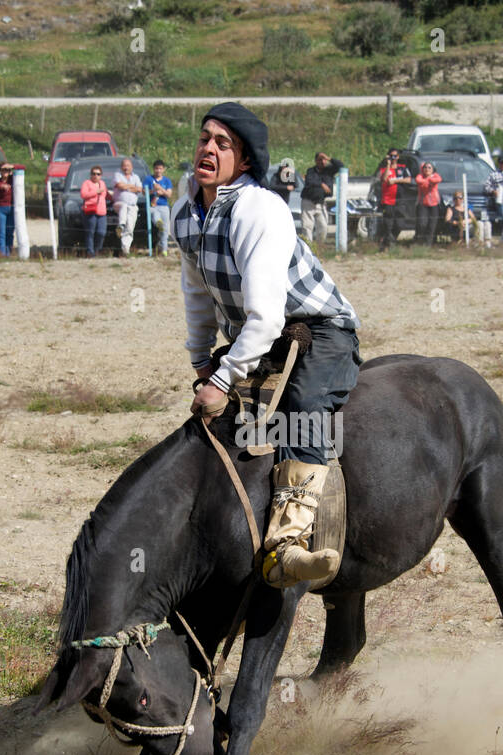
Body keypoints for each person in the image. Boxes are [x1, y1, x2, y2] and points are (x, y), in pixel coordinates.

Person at [178, 102, 361, 588]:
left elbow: (265, 316)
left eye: (223, 144)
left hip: (319, 327)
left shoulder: (258, 209)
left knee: (299, 407)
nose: (208, 149)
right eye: (204, 138)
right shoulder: (188, 209)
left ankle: (287, 547)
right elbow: (198, 292)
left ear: (244, 162)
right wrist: (202, 364)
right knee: (212, 420)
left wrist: (221, 378)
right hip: (260, 335)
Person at [300, 152, 341, 244]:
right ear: (316, 161)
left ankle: (319, 246)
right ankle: (308, 247)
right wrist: (322, 185)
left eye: (324, 159)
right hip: (308, 202)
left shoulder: (329, 170)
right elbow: (310, 181)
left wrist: (329, 158)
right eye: (320, 159)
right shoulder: (311, 171)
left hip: (321, 203)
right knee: (307, 226)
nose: (322, 161)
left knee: (323, 226)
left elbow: (340, 166)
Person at [376, 148, 410, 251]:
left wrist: (395, 180)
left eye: (395, 156)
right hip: (388, 200)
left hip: (400, 200)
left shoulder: (403, 168)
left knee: (400, 223)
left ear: (398, 157)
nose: (393, 158)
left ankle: (390, 240)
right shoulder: (383, 169)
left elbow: (408, 179)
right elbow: (384, 179)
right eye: (391, 156)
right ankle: (387, 244)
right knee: (388, 224)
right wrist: (387, 165)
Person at [112, 157, 143, 255]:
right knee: (124, 206)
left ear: (131, 167)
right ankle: (121, 225)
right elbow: (120, 185)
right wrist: (132, 187)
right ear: (121, 167)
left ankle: (125, 250)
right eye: (124, 166)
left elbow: (139, 189)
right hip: (119, 203)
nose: (126, 168)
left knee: (130, 227)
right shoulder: (117, 175)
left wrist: (126, 186)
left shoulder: (136, 177)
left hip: (133, 206)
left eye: (128, 166)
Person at [143, 159, 173, 255]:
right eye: (156, 168)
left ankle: (163, 248)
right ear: (154, 169)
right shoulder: (148, 179)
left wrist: (161, 190)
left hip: (164, 206)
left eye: (160, 169)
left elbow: (169, 194)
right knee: (156, 218)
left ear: (163, 169)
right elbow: (144, 192)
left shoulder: (167, 181)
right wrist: (153, 191)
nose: (158, 171)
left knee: (165, 229)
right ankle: (158, 223)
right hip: (152, 206)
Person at [80, 165, 108, 256]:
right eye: (94, 174)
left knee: (101, 232)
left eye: (98, 174)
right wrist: (95, 192)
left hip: (101, 211)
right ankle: (90, 252)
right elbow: (83, 195)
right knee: (90, 232)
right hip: (90, 211)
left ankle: (97, 249)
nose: (96, 176)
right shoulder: (86, 183)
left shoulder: (102, 183)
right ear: (91, 174)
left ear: (101, 175)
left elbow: (104, 194)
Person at [414, 161, 442, 246]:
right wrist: (429, 180)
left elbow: (438, 179)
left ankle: (428, 244)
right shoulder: (420, 176)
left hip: (434, 204)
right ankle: (419, 241)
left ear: (433, 169)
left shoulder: (436, 176)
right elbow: (418, 181)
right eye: (425, 167)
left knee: (432, 225)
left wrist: (427, 180)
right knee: (422, 223)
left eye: (429, 167)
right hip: (423, 204)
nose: (427, 169)